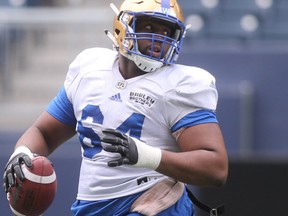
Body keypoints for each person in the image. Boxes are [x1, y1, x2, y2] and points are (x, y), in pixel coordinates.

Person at [3, 0, 228, 215]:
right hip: (92, 206)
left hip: (153, 203)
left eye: (166, 32)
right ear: (123, 27)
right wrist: (22, 153)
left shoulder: (180, 85)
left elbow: (215, 168)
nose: (158, 38)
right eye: (149, 27)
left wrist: (147, 156)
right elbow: (43, 133)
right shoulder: (89, 70)